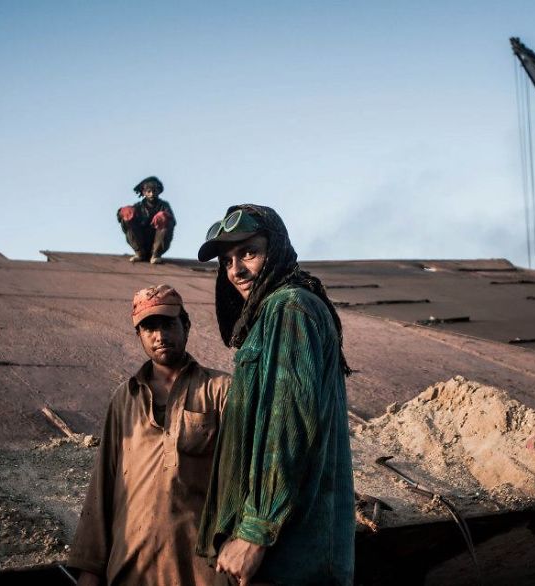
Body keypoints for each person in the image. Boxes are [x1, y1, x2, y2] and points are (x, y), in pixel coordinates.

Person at [195, 205, 355, 586]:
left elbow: (287, 424)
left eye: (248, 252)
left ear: (276, 249)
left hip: (288, 558)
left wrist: (255, 532)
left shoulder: (289, 307)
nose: (236, 270)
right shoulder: (273, 313)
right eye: (227, 260)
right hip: (280, 556)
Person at [68, 284, 230, 586]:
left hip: (202, 570)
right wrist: (90, 569)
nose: (160, 335)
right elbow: (102, 486)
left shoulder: (220, 390)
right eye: (149, 328)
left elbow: (244, 479)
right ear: (139, 336)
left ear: (186, 326)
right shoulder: (124, 399)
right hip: (132, 568)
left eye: (168, 324)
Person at [117, 176, 176, 264]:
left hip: (157, 241)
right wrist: (122, 212)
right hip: (141, 242)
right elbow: (122, 219)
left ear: (158, 191)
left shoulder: (164, 206)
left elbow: (172, 222)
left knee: (166, 219)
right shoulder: (138, 206)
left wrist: (163, 216)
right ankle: (139, 253)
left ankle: (156, 255)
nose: (151, 194)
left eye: (154, 191)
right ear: (144, 192)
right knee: (127, 219)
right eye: (149, 191)